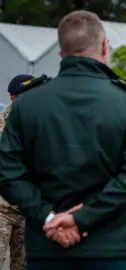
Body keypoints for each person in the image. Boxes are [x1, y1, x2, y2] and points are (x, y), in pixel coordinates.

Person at [0, 10, 126, 270]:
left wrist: (48, 217)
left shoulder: (26, 104)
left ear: (61, 53)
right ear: (105, 46)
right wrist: (81, 218)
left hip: (46, 249)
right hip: (111, 249)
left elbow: (8, 173)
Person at [0, 74, 36, 270]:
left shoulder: (42, 126)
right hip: (1, 210)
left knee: (22, 266)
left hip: (28, 212)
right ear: (13, 98)